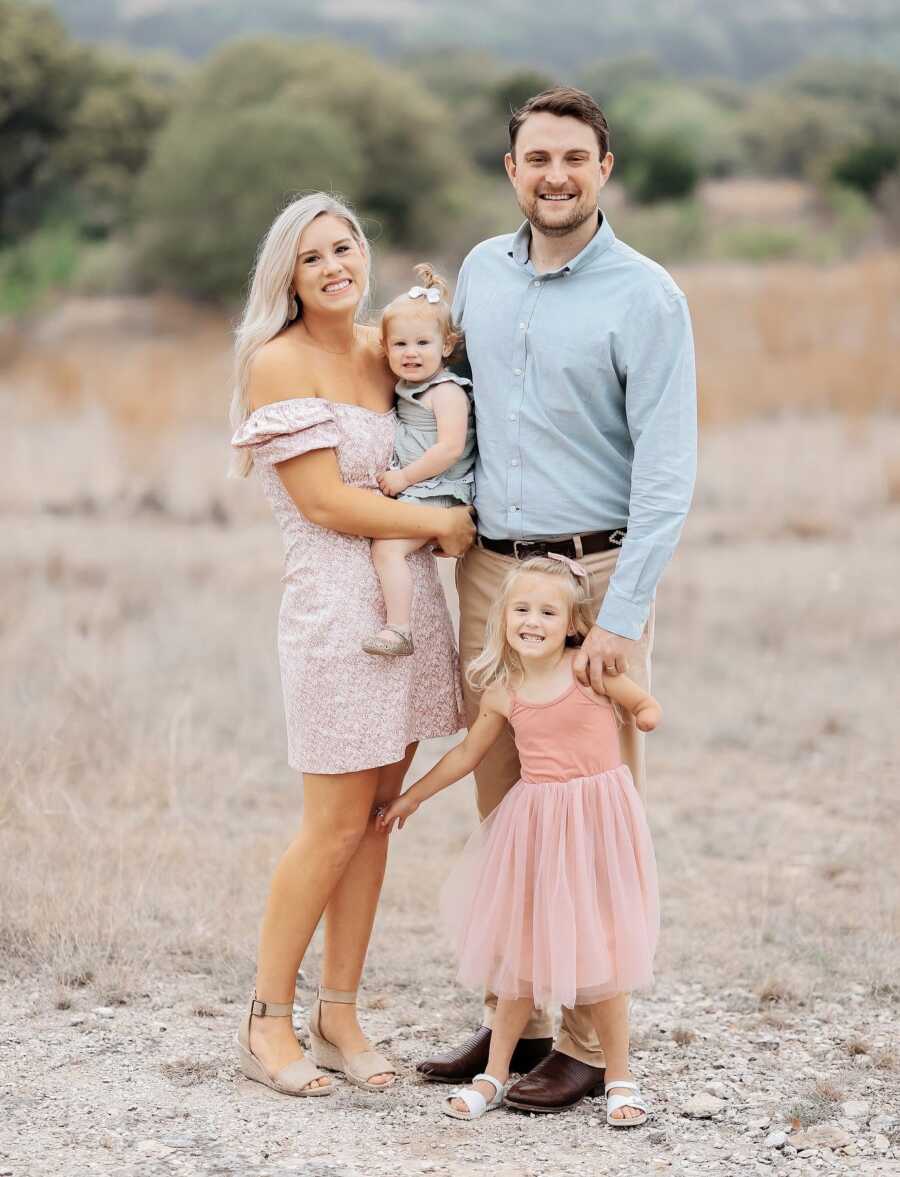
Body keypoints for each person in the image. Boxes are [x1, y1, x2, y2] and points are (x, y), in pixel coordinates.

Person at [417, 86, 697, 1112]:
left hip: (593, 581)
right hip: (494, 574)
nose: (556, 175)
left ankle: (586, 1042)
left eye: (574, 157)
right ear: (511, 170)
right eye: (537, 157)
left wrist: (621, 615)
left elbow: (668, 472)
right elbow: (448, 403)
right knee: (508, 805)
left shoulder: (647, 297)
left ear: (604, 168)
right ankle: (518, 1021)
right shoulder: (482, 275)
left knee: (586, 811)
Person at [228, 193, 474, 1098]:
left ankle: (339, 1013)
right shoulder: (277, 361)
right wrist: (440, 524)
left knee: (375, 819)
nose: (336, 266)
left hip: (410, 607)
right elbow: (326, 503)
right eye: (312, 257)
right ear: (285, 277)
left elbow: (454, 409)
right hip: (338, 614)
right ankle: (265, 1021)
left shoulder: (390, 346)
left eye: (347, 246)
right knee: (330, 824)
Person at [380, 556, 661, 1124]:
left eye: (548, 612)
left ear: (572, 621)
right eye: (521, 610)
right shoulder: (504, 692)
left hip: (595, 824)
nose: (532, 621)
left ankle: (619, 1076)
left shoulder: (589, 669)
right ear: (503, 617)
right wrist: (412, 796)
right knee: (520, 953)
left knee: (602, 952)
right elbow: (466, 754)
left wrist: (647, 712)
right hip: (534, 828)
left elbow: (640, 703)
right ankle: (495, 1074)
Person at [362, 264, 475, 656]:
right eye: (400, 345)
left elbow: (450, 448)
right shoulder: (408, 386)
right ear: (386, 347)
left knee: (386, 548)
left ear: (446, 346)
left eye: (423, 344)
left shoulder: (445, 392)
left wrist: (404, 478)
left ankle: (399, 629)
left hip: (441, 490)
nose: (411, 353)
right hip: (422, 487)